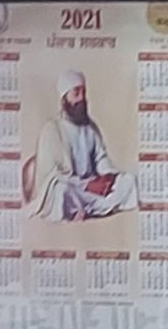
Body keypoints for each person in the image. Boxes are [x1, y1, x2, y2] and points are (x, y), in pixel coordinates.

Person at [28, 69, 137, 222]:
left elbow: (100, 158)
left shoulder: (90, 127)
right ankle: (89, 208)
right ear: (64, 99)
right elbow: (53, 176)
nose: (82, 99)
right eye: (76, 93)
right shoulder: (52, 129)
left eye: (84, 93)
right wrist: (87, 185)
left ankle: (89, 208)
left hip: (93, 187)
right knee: (61, 191)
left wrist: (107, 177)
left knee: (128, 180)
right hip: (73, 188)